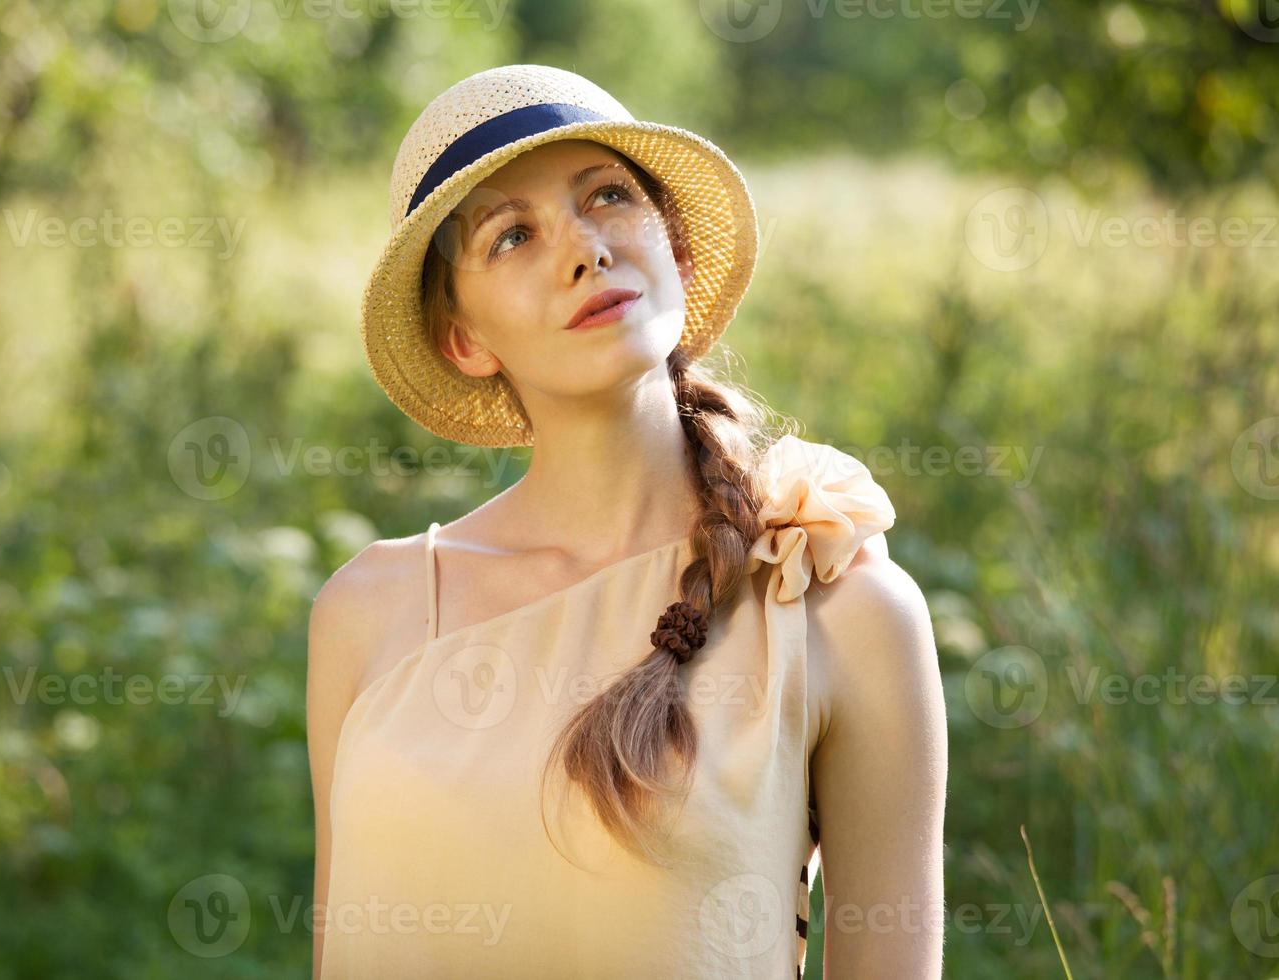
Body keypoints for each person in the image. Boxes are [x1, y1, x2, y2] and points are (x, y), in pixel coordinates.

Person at [307, 64, 947, 979]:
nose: (584, 249)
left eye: (608, 196)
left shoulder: (839, 607)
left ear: (677, 251)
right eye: (512, 235)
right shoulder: (367, 611)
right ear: (465, 339)